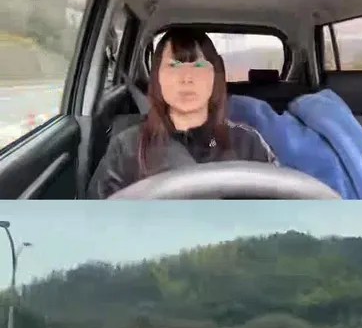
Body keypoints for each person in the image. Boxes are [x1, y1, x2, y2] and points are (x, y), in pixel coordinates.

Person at [86, 27, 277, 199]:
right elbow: (97, 220)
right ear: (157, 77)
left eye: (199, 66)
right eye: (174, 66)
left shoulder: (249, 144)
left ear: (215, 76)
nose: (186, 78)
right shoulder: (126, 148)